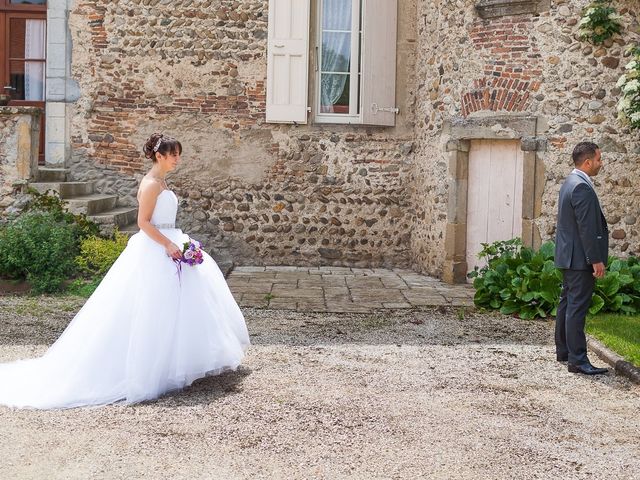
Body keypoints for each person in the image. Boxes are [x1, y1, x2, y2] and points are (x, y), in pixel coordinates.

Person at [0, 133, 250, 408]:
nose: (178, 159)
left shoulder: (162, 181)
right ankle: (147, 366)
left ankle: (177, 361)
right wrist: (167, 244)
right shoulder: (151, 184)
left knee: (181, 306)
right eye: (174, 155)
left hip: (172, 242)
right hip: (157, 248)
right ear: (159, 156)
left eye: (178, 154)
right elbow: (143, 222)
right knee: (149, 309)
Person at [554, 142, 608, 375]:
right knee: (576, 307)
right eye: (598, 159)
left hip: (569, 256)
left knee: (567, 303)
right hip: (579, 260)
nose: (600, 163)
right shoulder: (581, 187)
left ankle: (564, 351)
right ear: (587, 162)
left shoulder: (569, 182)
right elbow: (586, 228)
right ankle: (577, 360)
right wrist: (595, 259)